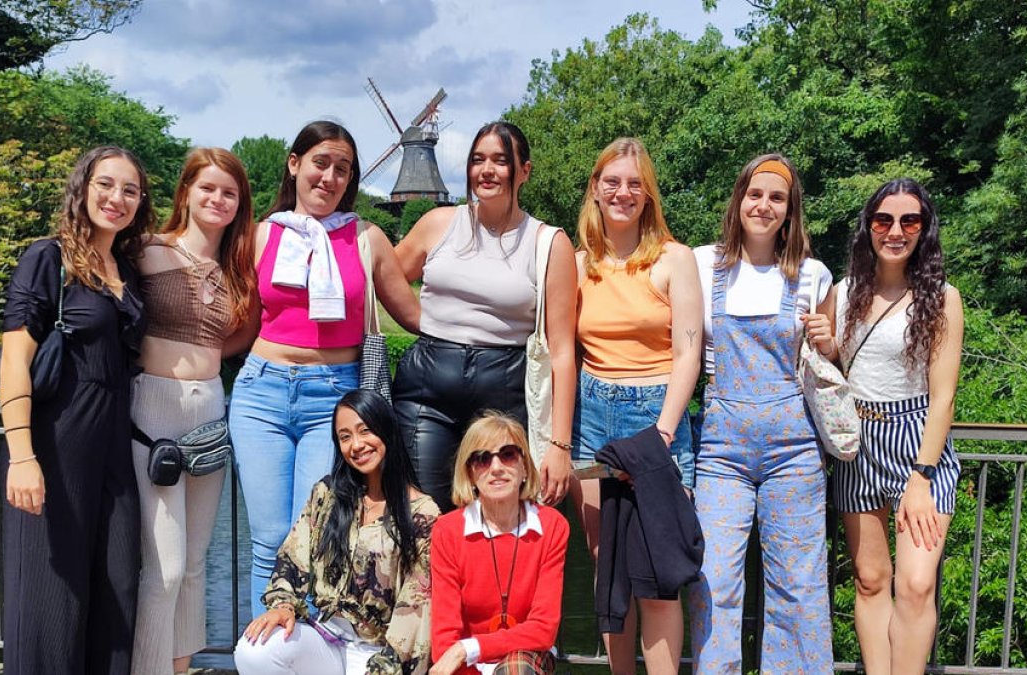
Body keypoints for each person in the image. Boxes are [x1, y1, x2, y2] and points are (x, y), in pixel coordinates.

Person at [230, 120, 420, 617]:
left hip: (334, 401)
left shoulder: (367, 238)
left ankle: (309, 657)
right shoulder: (262, 236)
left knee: (314, 534)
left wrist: (501, 324)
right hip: (261, 392)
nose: (330, 177)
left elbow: (415, 315)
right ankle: (267, 661)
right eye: (320, 163)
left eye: (342, 169)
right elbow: (244, 325)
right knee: (268, 538)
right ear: (294, 165)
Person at [0, 146, 151, 674]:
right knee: (51, 601)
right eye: (106, 185)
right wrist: (22, 456)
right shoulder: (49, 258)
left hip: (113, 446)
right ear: (82, 188)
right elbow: (16, 358)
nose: (117, 198)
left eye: (130, 190)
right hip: (56, 443)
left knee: (116, 590)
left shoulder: (126, 268)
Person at [804, 179, 963, 675]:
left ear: (924, 229)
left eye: (909, 221)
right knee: (871, 580)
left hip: (917, 443)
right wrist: (827, 344)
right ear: (868, 227)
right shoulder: (842, 293)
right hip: (858, 443)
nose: (895, 231)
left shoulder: (942, 299)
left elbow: (944, 397)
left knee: (916, 584)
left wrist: (921, 476)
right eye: (884, 220)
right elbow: (829, 367)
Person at [687, 153, 834, 673]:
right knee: (714, 579)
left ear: (790, 211)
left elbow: (827, 361)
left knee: (798, 582)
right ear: (739, 200)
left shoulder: (813, 275)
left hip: (794, 446)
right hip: (721, 446)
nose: (764, 205)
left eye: (777, 198)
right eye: (755, 194)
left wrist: (828, 343)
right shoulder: (703, 266)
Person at [393, 121, 577, 512]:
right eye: (477, 160)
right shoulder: (439, 223)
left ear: (524, 170)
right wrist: (422, 322)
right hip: (428, 393)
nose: (486, 170)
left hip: (503, 396)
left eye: (499, 160)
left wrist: (559, 445)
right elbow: (384, 280)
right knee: (424, 517)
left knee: (502, 519)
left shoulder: (548, 243)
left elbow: (562, 351)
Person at [569, 138, 702, 675]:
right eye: (612, 181)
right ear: (596, 190)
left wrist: (663, 434)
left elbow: (689, 352)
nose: (622, 192)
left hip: (655, 419)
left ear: (647, 194)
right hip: (592, 424)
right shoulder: (578, 263)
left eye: (633, 183)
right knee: (607, 566)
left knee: (656, 573)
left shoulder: (675, 259)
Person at [131, 147, 256, 674]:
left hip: (209, 410)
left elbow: (245, 332)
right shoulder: (146, 252)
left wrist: (205, 359)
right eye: (207, 188)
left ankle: (180, 668)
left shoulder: (236, 269)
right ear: (186, 192)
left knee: (195, 566)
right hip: (153, 409)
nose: (217, 199)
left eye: (229, 192)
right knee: (164, 567)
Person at [234, 389, 440, 675]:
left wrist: (387, 667)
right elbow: (293, 559)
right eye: (345, 437)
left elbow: (416, 610)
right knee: (254, 649)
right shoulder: (328, 494)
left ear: (387, 431)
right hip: (326, 641)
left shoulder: (422, 514)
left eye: (365, 431)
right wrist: (284, 605)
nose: (356, 445)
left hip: (380, 654)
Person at [429, 412, 570, 675]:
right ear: (470, 474)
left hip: (526, 659)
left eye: (507, 454)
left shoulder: (552, 526)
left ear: (525, 467)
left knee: (515, 668)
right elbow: (444, 639)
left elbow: (543, 628)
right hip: (467, 666)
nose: (495, 467)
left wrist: (469, 648)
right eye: (482, 459)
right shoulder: (447, 530)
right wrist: (466, 655)